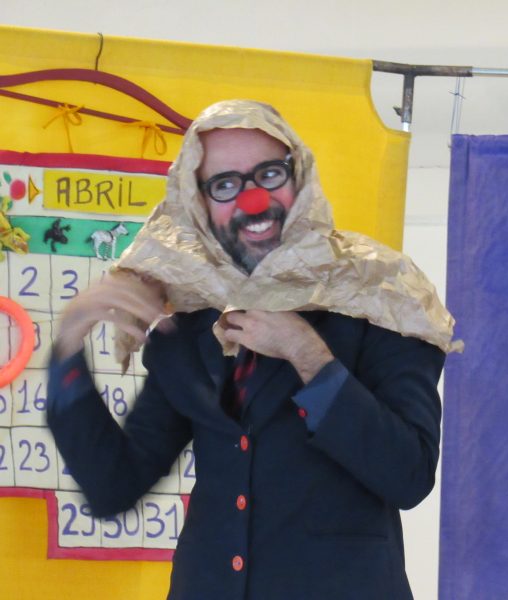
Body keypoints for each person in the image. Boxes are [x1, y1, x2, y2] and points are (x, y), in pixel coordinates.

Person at [47, 100, 457, 600]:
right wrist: (68, 347)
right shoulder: (190, 327)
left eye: (269, 174)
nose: (253, 200)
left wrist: (309, 356)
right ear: (199, 204)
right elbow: (116, 485)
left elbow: (409, 476)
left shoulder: (380, 298)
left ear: (299, 175)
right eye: (225, 184)